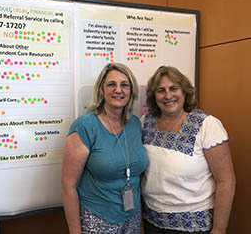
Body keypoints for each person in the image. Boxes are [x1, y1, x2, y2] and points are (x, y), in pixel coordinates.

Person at [141, 66, 236, 234]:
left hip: (194, 227)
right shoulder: (145, 122)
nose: (168, 95)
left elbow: (226, 181)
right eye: (161, 90)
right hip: (152, 223)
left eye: (174, 88)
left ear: (184, 91)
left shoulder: (207, 125)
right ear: (154, 96)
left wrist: (219, 229)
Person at [62, 63, 147, 234]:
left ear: (131, 91)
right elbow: (68, 185)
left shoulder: (136, 124)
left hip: (133, 217)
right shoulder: (85, 126)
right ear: (101, 89)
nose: (118, 90)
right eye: (111, 85)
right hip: (97, 219)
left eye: (124, 84)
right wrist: (75, 231)